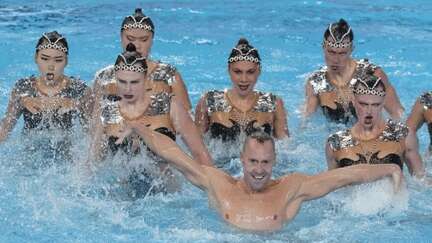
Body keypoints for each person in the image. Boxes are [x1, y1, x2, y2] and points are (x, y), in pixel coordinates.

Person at [124, 125, 402, 232]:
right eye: (253, 162)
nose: (259, 169)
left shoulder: (291, 187)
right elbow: (174, 153)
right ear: (242, 161)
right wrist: (138, 127)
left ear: (274, 162)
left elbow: (344, 177)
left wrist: (390, 169)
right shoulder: (219, 184)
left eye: (265, 162)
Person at [89, 44, 213, 197]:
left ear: (146, 80)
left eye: (134, 82)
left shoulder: (170, 107)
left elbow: (200, 154)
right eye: (122, 82)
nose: (128, 89)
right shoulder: (106, 111)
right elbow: (93, 161)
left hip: (168, 198)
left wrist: (215, 190)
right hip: (121, 199)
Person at [92, 8, 192, 132]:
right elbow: (93, 126)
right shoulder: (104, 78)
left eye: (143, 40)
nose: (137, 45)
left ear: (152, 40)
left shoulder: (169, 76)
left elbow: (188, 124)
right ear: (121, 37)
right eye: (130, 39)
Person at [0, 31, 92, 160]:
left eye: (58, 60)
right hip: (30, 157)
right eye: (44, 58)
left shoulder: (78, 89)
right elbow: (3, 132)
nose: (51, 66)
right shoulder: (23, 88)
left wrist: (78, 104)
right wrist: (20, 102)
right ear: (36, 58)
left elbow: (93, 135)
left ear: (66, 61)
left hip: (66, 157)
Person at [325, 72, 427, 179]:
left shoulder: (403, 136)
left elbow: (420, 183)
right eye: (363, 104)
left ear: (383, 104)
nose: (369, 111)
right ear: (353, 101)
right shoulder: (336, 143)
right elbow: (332, 190)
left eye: (375, 105)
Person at [304, 19, 403, 124]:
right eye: (331, 52)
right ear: (323, 47)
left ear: (351, 49)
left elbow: (398, 114)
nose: (336, 59)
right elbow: (306, 123)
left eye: (342, 53)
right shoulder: (316, 82)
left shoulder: (372, 74)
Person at [195, 38, 289, 142]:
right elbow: (196, 146)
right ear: (229, 70)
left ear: (259, 71)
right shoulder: (210, 101)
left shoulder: (273, 103)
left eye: (250, 72)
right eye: (237, 72)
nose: (244, 79)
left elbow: (285, 149)